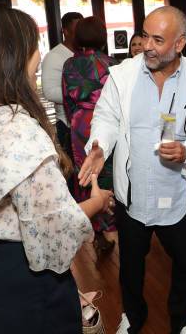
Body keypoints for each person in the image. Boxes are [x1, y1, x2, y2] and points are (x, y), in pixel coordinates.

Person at [0, 4, 112, 333]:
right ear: (12, 56)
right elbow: (54, 226)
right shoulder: (17, 127)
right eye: (33, 45)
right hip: (25, 277)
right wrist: (100, 201)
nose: (38, 58)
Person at [78, 6, 186, 334]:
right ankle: (132, 315)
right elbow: (106, 117)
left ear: (180, 43)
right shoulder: (123, 75)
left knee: (184, 265)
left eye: (158, 39)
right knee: (130, 265)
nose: (147, 46)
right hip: (134, 193)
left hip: (179, 196)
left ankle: (182, 318)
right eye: (144, 35)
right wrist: (99, 145)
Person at [62, 16, 117, 257]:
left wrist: (76, 120)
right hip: (106, 124)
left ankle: (92, 225)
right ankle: (111, 224)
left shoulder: (69, 65)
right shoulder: (112, 64)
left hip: (80, 124)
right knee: (106, 172)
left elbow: (67, 101)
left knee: (84, 174)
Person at [42, 11, 83, 157]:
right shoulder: (54, 57)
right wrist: (83, 94)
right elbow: (49, 91)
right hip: (67, 126)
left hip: (86, 123)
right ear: (65, 31)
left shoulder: (84, 53)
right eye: (76, 29)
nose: (80, 33)